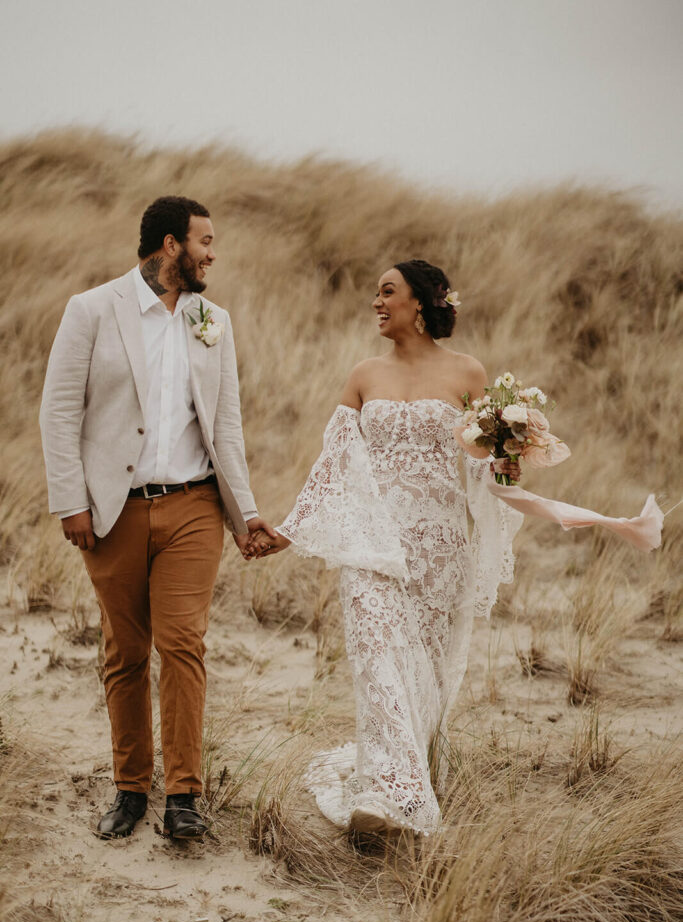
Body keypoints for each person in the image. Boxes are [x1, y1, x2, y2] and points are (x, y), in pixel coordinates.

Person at [249, 260, 522, 837]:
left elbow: (486, 471)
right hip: (372, 548)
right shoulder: (363, 376)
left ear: (420, 303)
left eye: (387, 292)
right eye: (375, 292)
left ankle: (401, 774)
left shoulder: (468, 373)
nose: (376, 301)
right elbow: (335, 466)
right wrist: (288, 530)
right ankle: (383, 797)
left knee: (421, 672)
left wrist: (514, 455)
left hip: (440, 551)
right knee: (377, 658)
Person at [40, 196, 275, 840]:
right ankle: (129, 789)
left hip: (195, 506)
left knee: (182, 645)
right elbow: (59, 414)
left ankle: (183, 798)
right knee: (125, 652)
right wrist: (71, 503)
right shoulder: (92, 310)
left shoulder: (213, 321)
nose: (212, 254)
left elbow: (226, 425)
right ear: (169, 245)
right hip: (113, 511)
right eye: (204, 241)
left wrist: (244, 515)